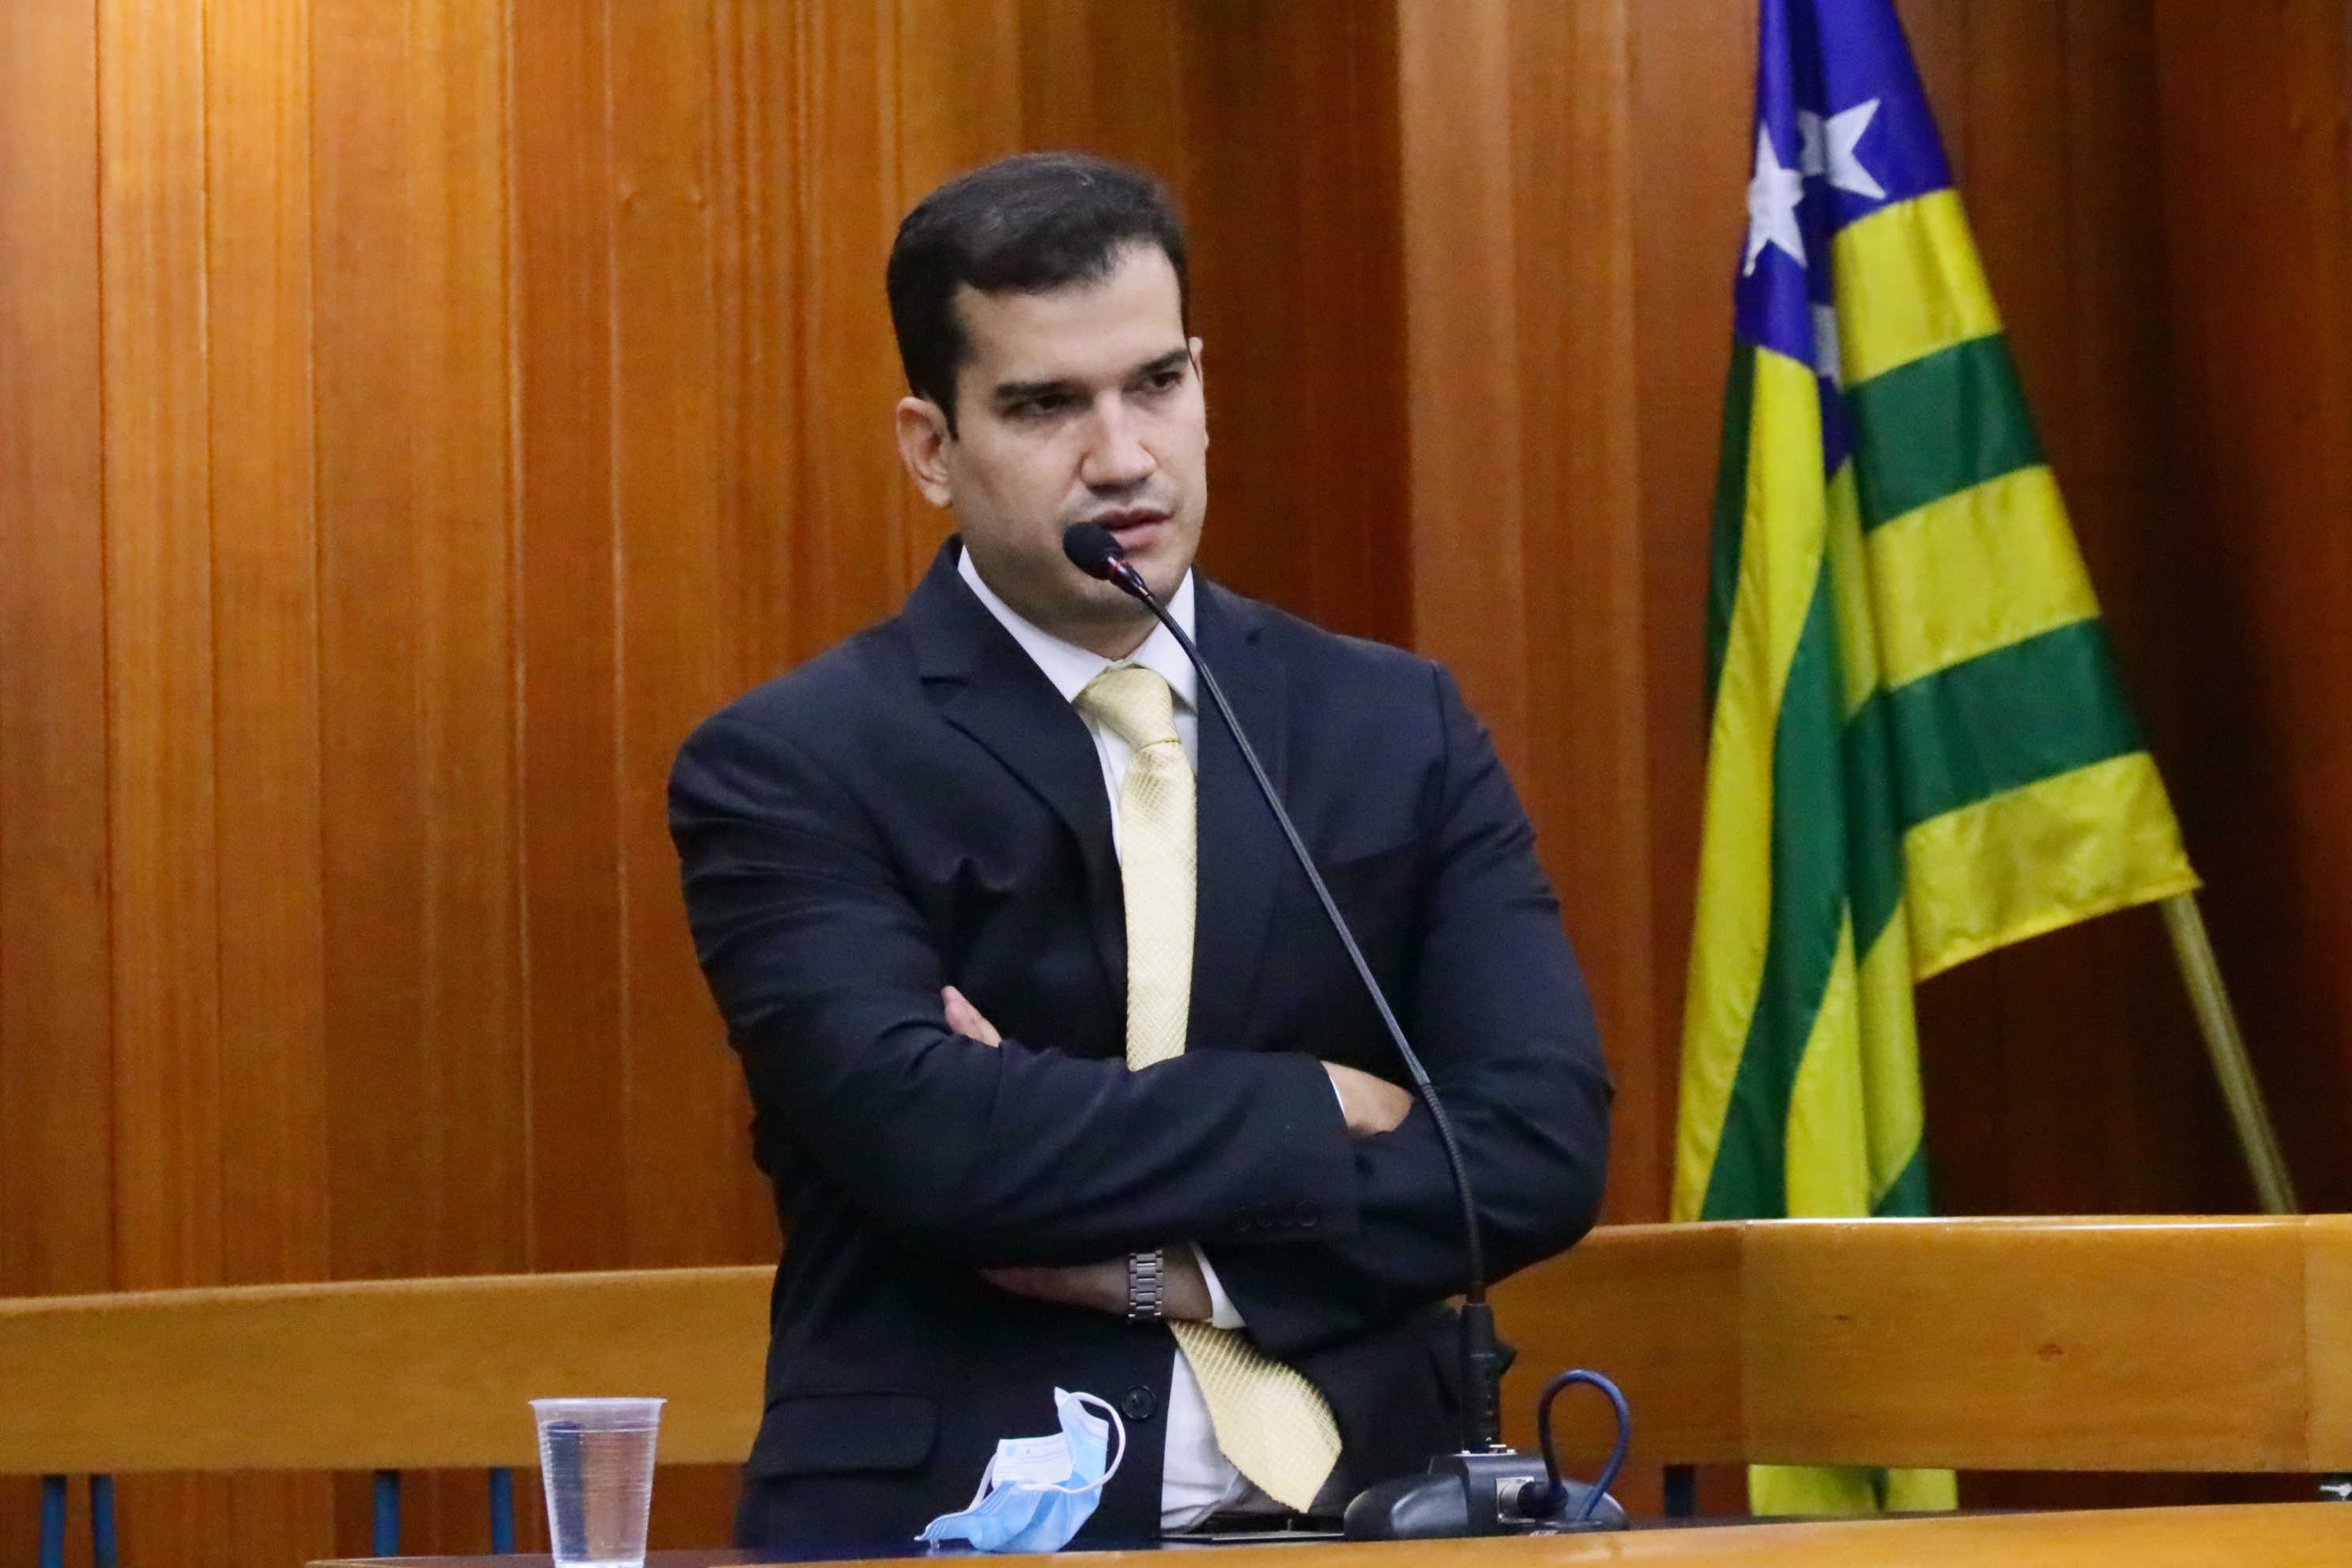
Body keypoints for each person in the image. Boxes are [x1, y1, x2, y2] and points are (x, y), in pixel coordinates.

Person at [669, 151, 1612, 1551]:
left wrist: (1170, 1276)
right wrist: (1319, 1104)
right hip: (958, 1516)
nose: (1121, 457)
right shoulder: (795, 764)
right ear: (932, 447)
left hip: (1374, 1509)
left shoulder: (1391, 725)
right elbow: (938, 1149)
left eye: (1156, 383)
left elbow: (1536, 1148)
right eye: (1045, 405)